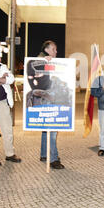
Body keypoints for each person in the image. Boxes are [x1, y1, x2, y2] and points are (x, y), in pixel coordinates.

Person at [37, 40, 64, 169]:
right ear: (47, 50)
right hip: (47, 100)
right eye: (54, 49)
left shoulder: (51, 62)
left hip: (47, 100)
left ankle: (44, 154)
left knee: (45, 129)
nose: (56, 52)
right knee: (52, 129)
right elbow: (34, 71)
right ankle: (53, 159)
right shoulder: (40, 60)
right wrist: (44, 62)